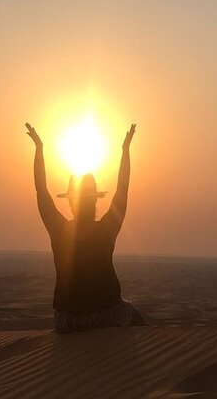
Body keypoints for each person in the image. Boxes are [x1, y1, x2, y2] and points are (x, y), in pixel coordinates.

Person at [25, 122, 145, 333]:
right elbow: (122, 191)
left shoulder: (57, 229)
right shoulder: (107, 229)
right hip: (105, 315)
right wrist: (125, 151)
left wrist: (39, 149)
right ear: (95, 202)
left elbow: (41, 191)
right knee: (136, 319)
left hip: (66, 320)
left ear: (71, 201)